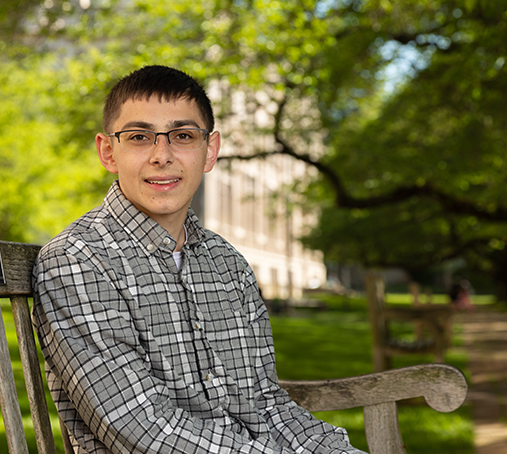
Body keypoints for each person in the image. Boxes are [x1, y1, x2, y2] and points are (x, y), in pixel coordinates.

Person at [32, 65, 365, 454]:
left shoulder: (227, 264)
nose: (162, 155)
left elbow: (268, 406)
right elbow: (142, 428)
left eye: (183, 136)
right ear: (108, 151)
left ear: (210, 151)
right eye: (139, 137)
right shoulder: (78, 261)